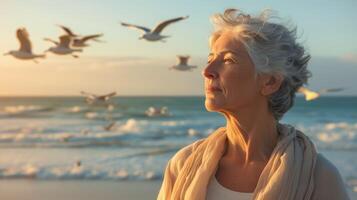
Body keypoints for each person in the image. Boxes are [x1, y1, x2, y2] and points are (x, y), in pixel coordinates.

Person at [157, 8, 350, 200]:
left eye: (228, 60)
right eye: (210, 59)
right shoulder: (184, 165)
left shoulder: (318, 177)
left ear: (270, 82)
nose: (207, 71)